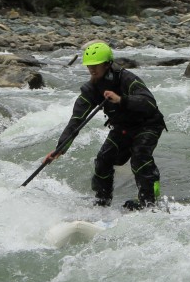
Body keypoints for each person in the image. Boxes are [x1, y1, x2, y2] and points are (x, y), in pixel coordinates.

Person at [45, 41, 166, 209]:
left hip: (147, 125)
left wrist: (121, 100)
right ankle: (102, 201)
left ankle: (149, 201)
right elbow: (76, 120)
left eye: (96, 65)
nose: (92, 70)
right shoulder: (91, 89)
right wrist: (60, 148)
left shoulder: (127, 79)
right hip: (122, 128)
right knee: (103, 160)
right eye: (89, 66)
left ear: (108, 64)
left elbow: (149, 103)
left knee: (139, 157)